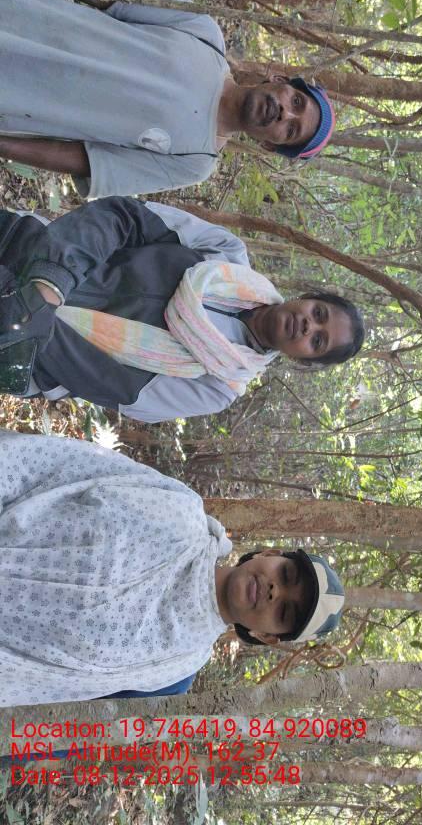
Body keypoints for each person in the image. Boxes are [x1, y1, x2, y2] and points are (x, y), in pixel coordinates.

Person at [0, 429, 345, 706]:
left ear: (267, 636)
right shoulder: (180, 509)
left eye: (284, 611)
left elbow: (50, 697)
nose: (274, 591)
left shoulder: (175, 669)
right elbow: (65, 464)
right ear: (269, 553)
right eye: (286, 575)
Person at [0, 0, 335, 198]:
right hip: (16, 11)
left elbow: (87, 160)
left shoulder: (195, 162)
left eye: (291, 130)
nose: (285, 114)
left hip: (11, 101)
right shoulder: (205, 34)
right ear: (280, 80)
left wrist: (4, 145)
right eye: (297, 102)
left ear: (269, 147)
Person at [0, 198, 364, 421]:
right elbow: (126, 217)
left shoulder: (218, 387)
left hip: (18, 349)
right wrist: (51, 282)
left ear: (303, 360)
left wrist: (29, 321)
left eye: (318, 341)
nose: (308, 326)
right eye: (319, 314)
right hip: (21, 246)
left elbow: (113, 386)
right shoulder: (226, 255)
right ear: (308, 297)